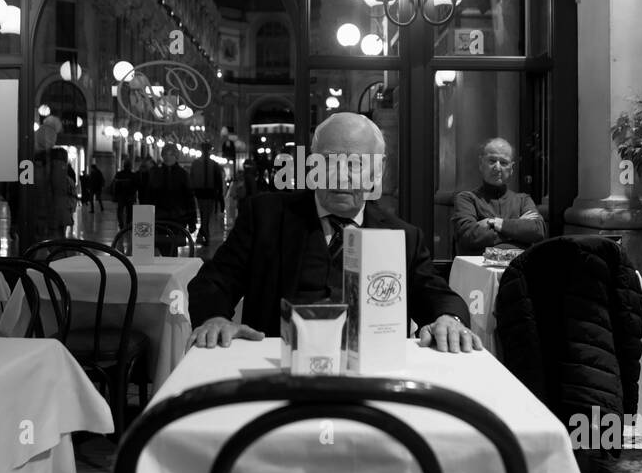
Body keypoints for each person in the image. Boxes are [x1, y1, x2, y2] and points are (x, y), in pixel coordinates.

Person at [188, 112, 478, 353]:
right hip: (278, 369)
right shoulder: (265, 216)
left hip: (371, 372)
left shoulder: (402, 235)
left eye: (355, 163)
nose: (341, 174)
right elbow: (214, 281)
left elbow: (438, 296)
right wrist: (215, 318)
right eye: (328, 161)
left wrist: (449, 319)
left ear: (378, 171)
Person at [451, 137, 545, 255]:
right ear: (481, 164)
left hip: (518, 270)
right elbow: (468, 236)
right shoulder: (467, 199)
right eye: (492, 161)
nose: (498, 167)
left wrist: (495, 223)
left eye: (504, 162)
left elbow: (538, 230)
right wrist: (516, 230)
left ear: (511, 168)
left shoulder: (523, 200)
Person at [142, 143, 196, 253]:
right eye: (165, 154)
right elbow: (148, 196)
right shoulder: (155, 173)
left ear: (176, 156)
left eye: (171, 154)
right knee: (162, 244)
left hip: (177, 217)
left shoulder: (183, 174)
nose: (168, 157)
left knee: (172, 246)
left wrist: (192, 221)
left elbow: (189, 198)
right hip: (159, 217)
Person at [29, 121, 76, 242]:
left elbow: (29, 188)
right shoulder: (57, 161)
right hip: (49, 216)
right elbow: (60, 190)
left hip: (41, 216)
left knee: (45, 250)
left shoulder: (31, 162)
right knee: (55, 250)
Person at [189, 142, 224, 246]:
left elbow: (192, 177)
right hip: (208, 192)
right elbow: (218, 181)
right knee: (206, 214)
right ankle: (204, 233)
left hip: (202, 192)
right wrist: (220, 194)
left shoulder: (196, 163)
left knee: (205, 214)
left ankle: (204, 233)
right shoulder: (213, 164)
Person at [111, 156, 137, 230]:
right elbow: (136, 185)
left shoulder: (119, 174)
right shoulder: (133, 175)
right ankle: (128, 225)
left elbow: (115, 185)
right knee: (129, 212)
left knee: (120, 211)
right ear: (130, 166)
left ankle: (121, 225)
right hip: (130, 196)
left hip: (121, 195)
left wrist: (115, 195)